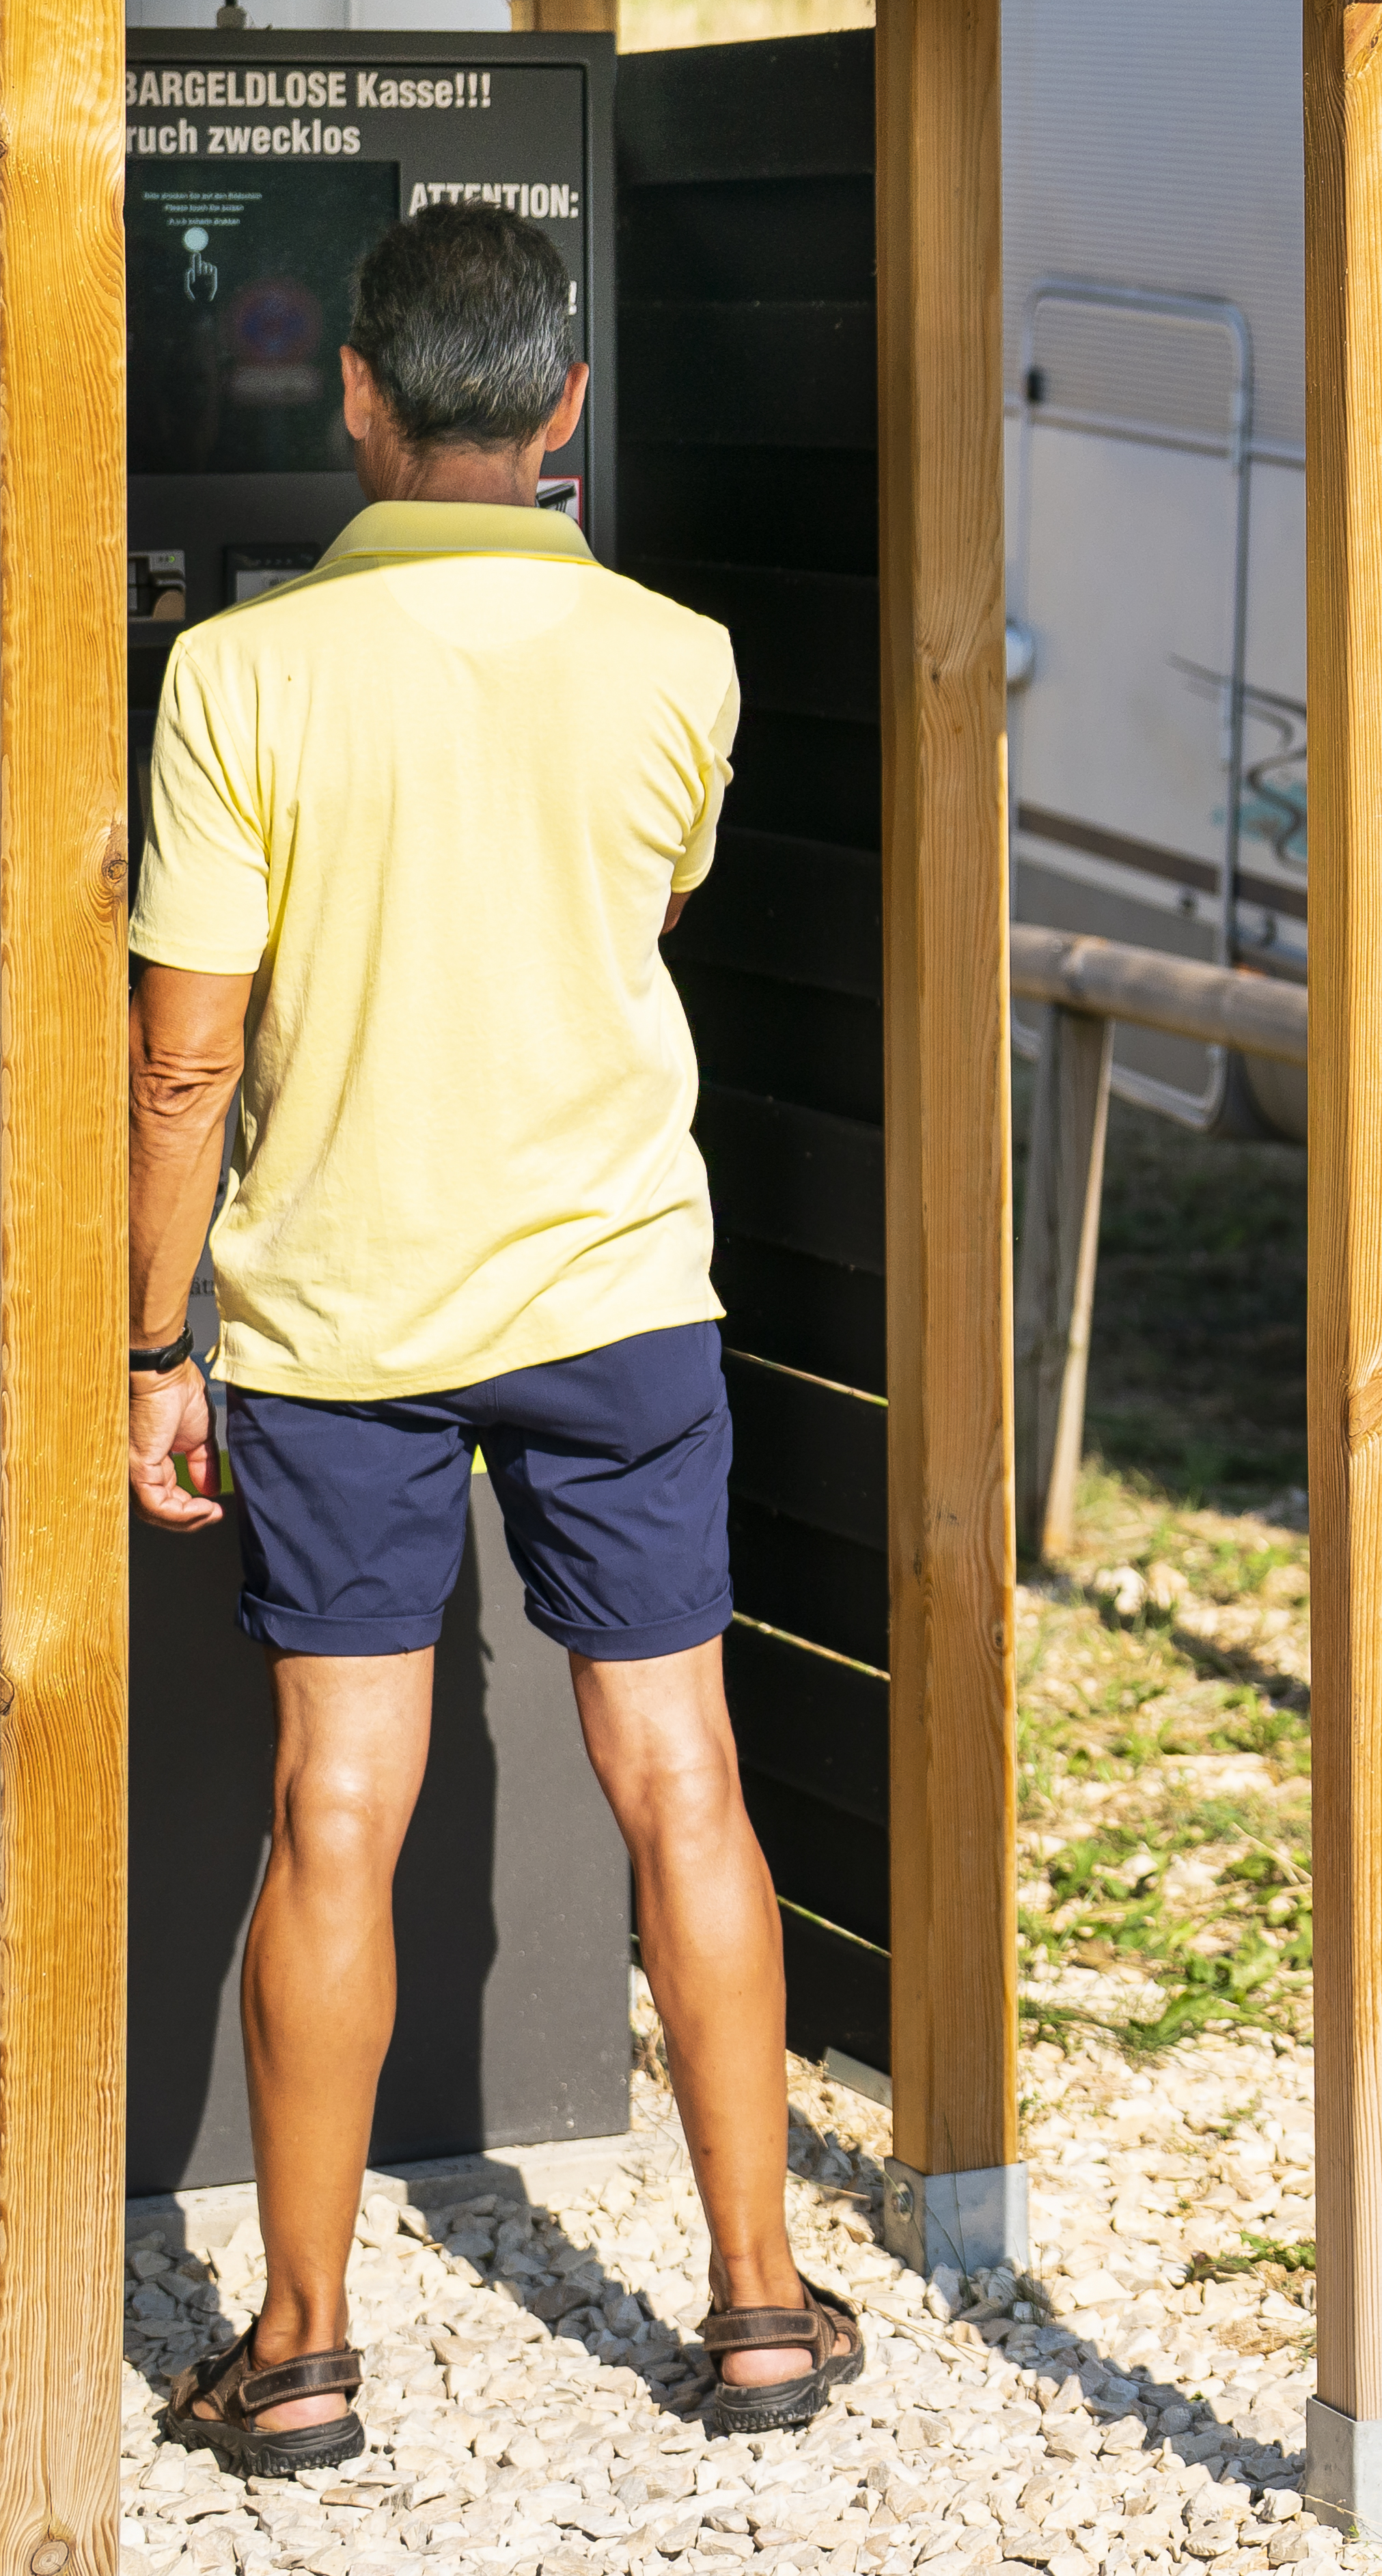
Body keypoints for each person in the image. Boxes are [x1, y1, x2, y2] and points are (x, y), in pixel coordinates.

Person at [124, 203, 858, 2474]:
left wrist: (160, 1344)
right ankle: (754, 2309)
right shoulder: (684, 657)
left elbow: (182, 1064)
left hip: (337, 1311)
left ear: (354, 396)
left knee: (338, 1802)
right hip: (619, 1293)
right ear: (564, 413)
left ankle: (306, 2348)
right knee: (685, 1776)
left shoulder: (241, 679)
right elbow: (632, 907)